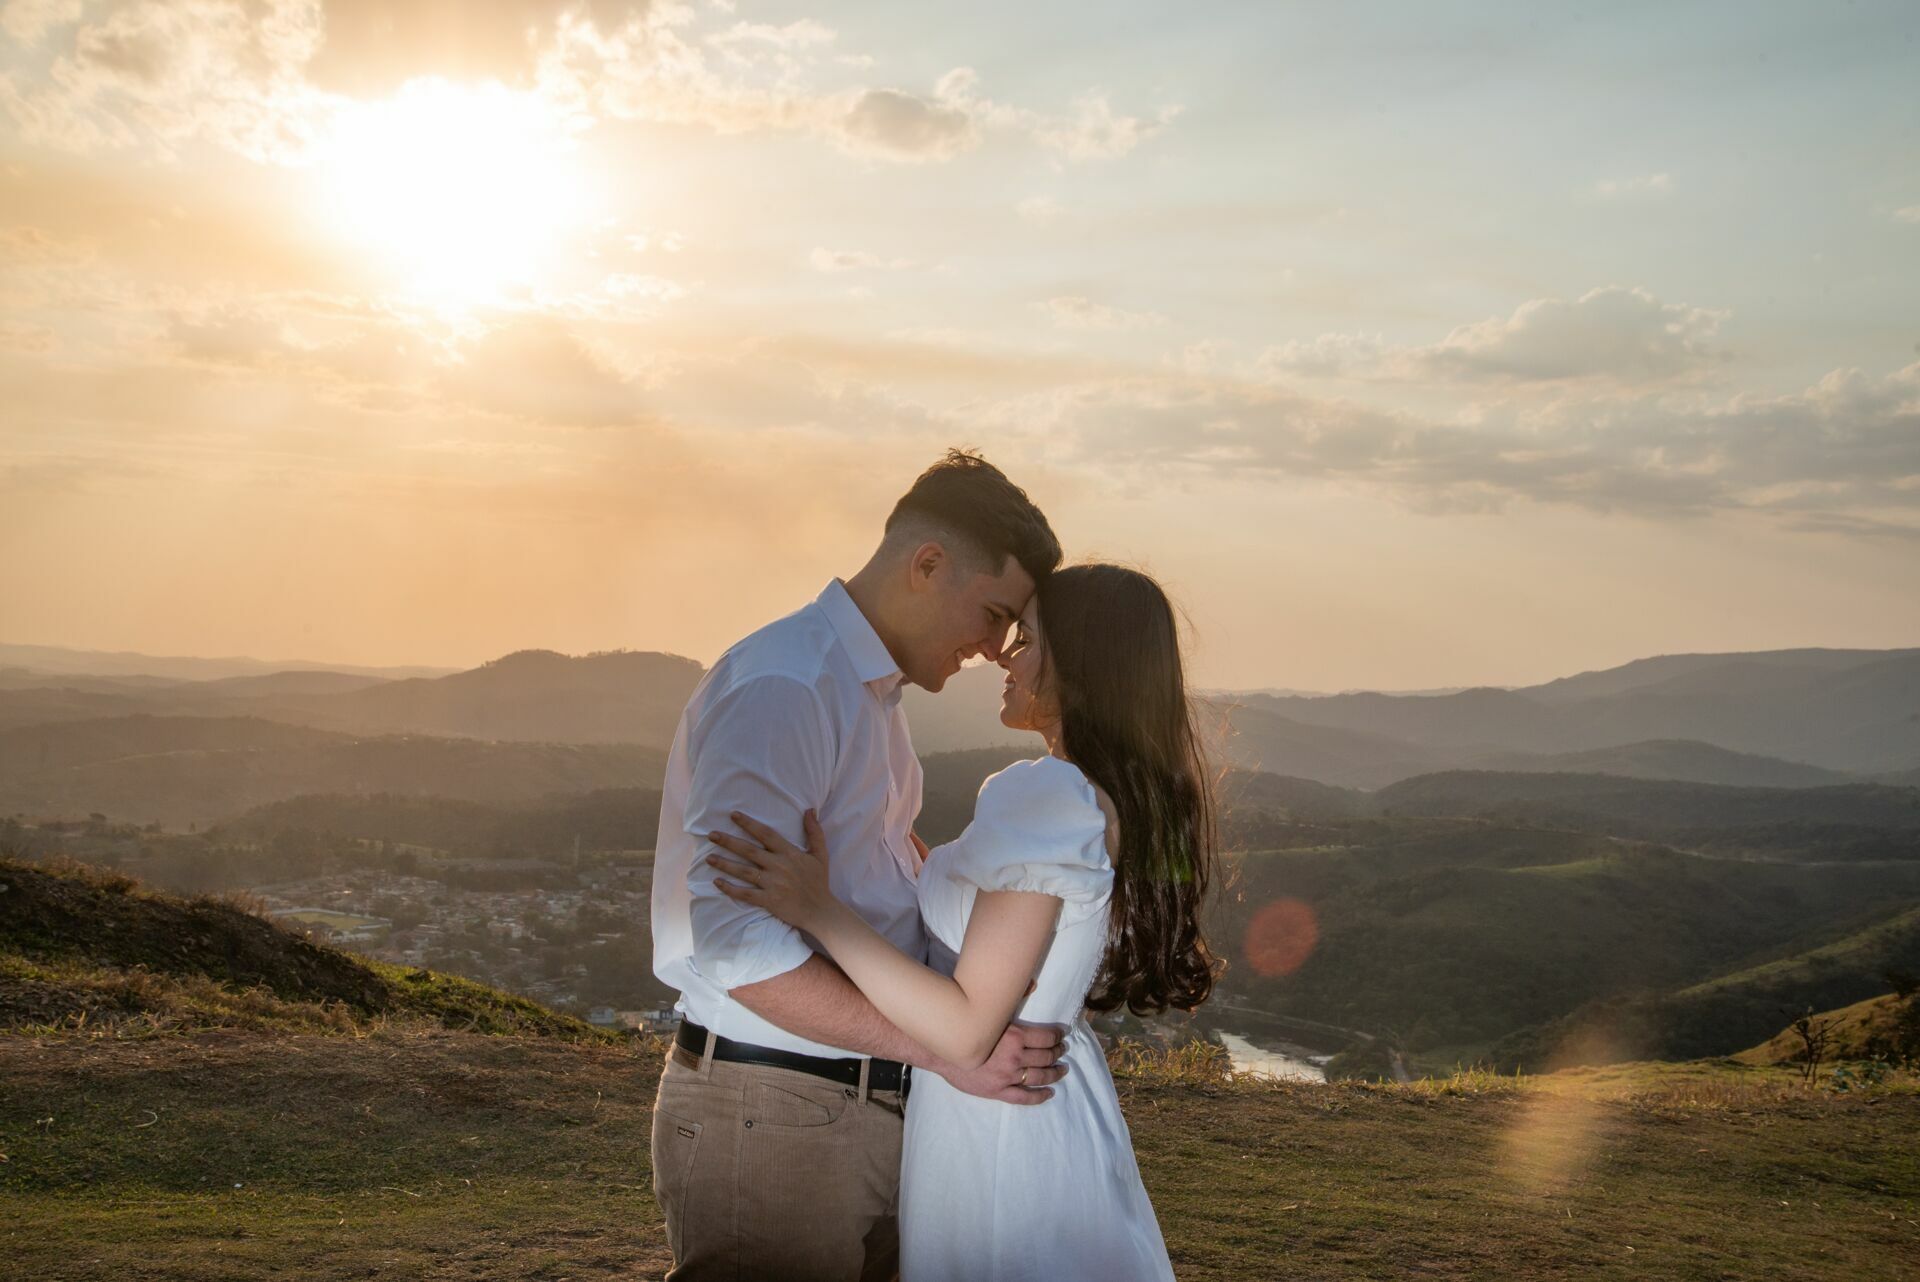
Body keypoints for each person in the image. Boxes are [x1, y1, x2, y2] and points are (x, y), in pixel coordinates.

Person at [710, 562, 1219, 1282]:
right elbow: (1007, 932)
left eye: (1028, 638)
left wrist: (814, 908)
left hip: (999, 1121)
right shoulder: (1105, 798)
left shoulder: (1045, 794)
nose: (1003, 657)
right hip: (1047, 1102)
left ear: (1077, 666)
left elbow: (965, 1027)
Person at [648, 450, 1068, 1281]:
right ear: (926, 565)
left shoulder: (868, 696)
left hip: (860, 1106)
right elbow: (741, 952)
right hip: (772, 1112)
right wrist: (944, 1051)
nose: (993, 648)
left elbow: (874, 898)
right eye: (992, 614)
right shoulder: (788, 685)